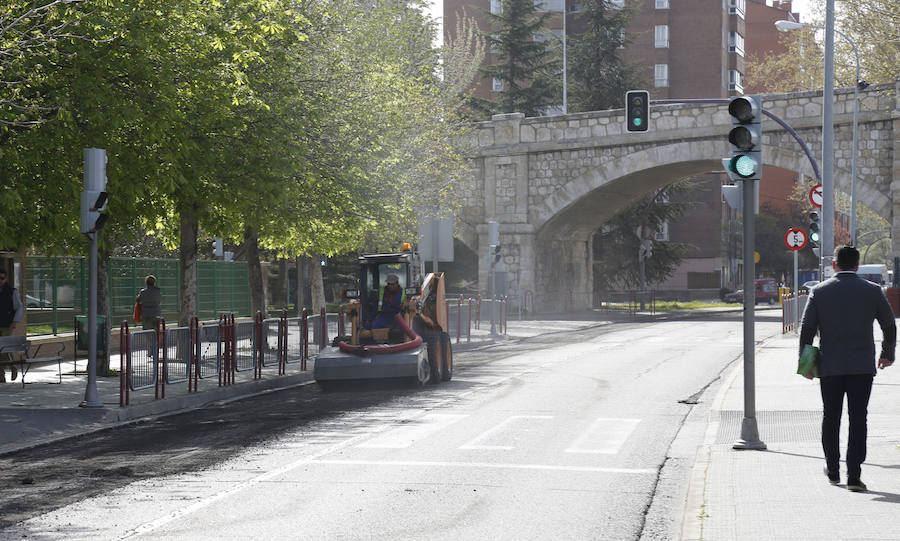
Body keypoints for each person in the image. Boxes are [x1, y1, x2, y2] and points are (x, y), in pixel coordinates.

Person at [799, 245, 896, 492]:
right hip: (862, 366)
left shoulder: (819, 292)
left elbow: (807, 330)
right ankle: (854, 475)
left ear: (834, 265)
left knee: (831, 417)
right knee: (858, 418)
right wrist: (887, 354)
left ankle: (832, 470)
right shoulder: (873, 291)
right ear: (857, 265)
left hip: (830, 365)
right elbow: (889, 325)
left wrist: (806, 366)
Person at [0, 269, 24, 383]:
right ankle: (1, 375)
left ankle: (12, 366)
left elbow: (19, 307)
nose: (0, 281)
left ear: (5, 279)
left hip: (7, 325)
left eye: (2, 278)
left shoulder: (11, 291)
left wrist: (15, 321)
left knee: (4, 350)